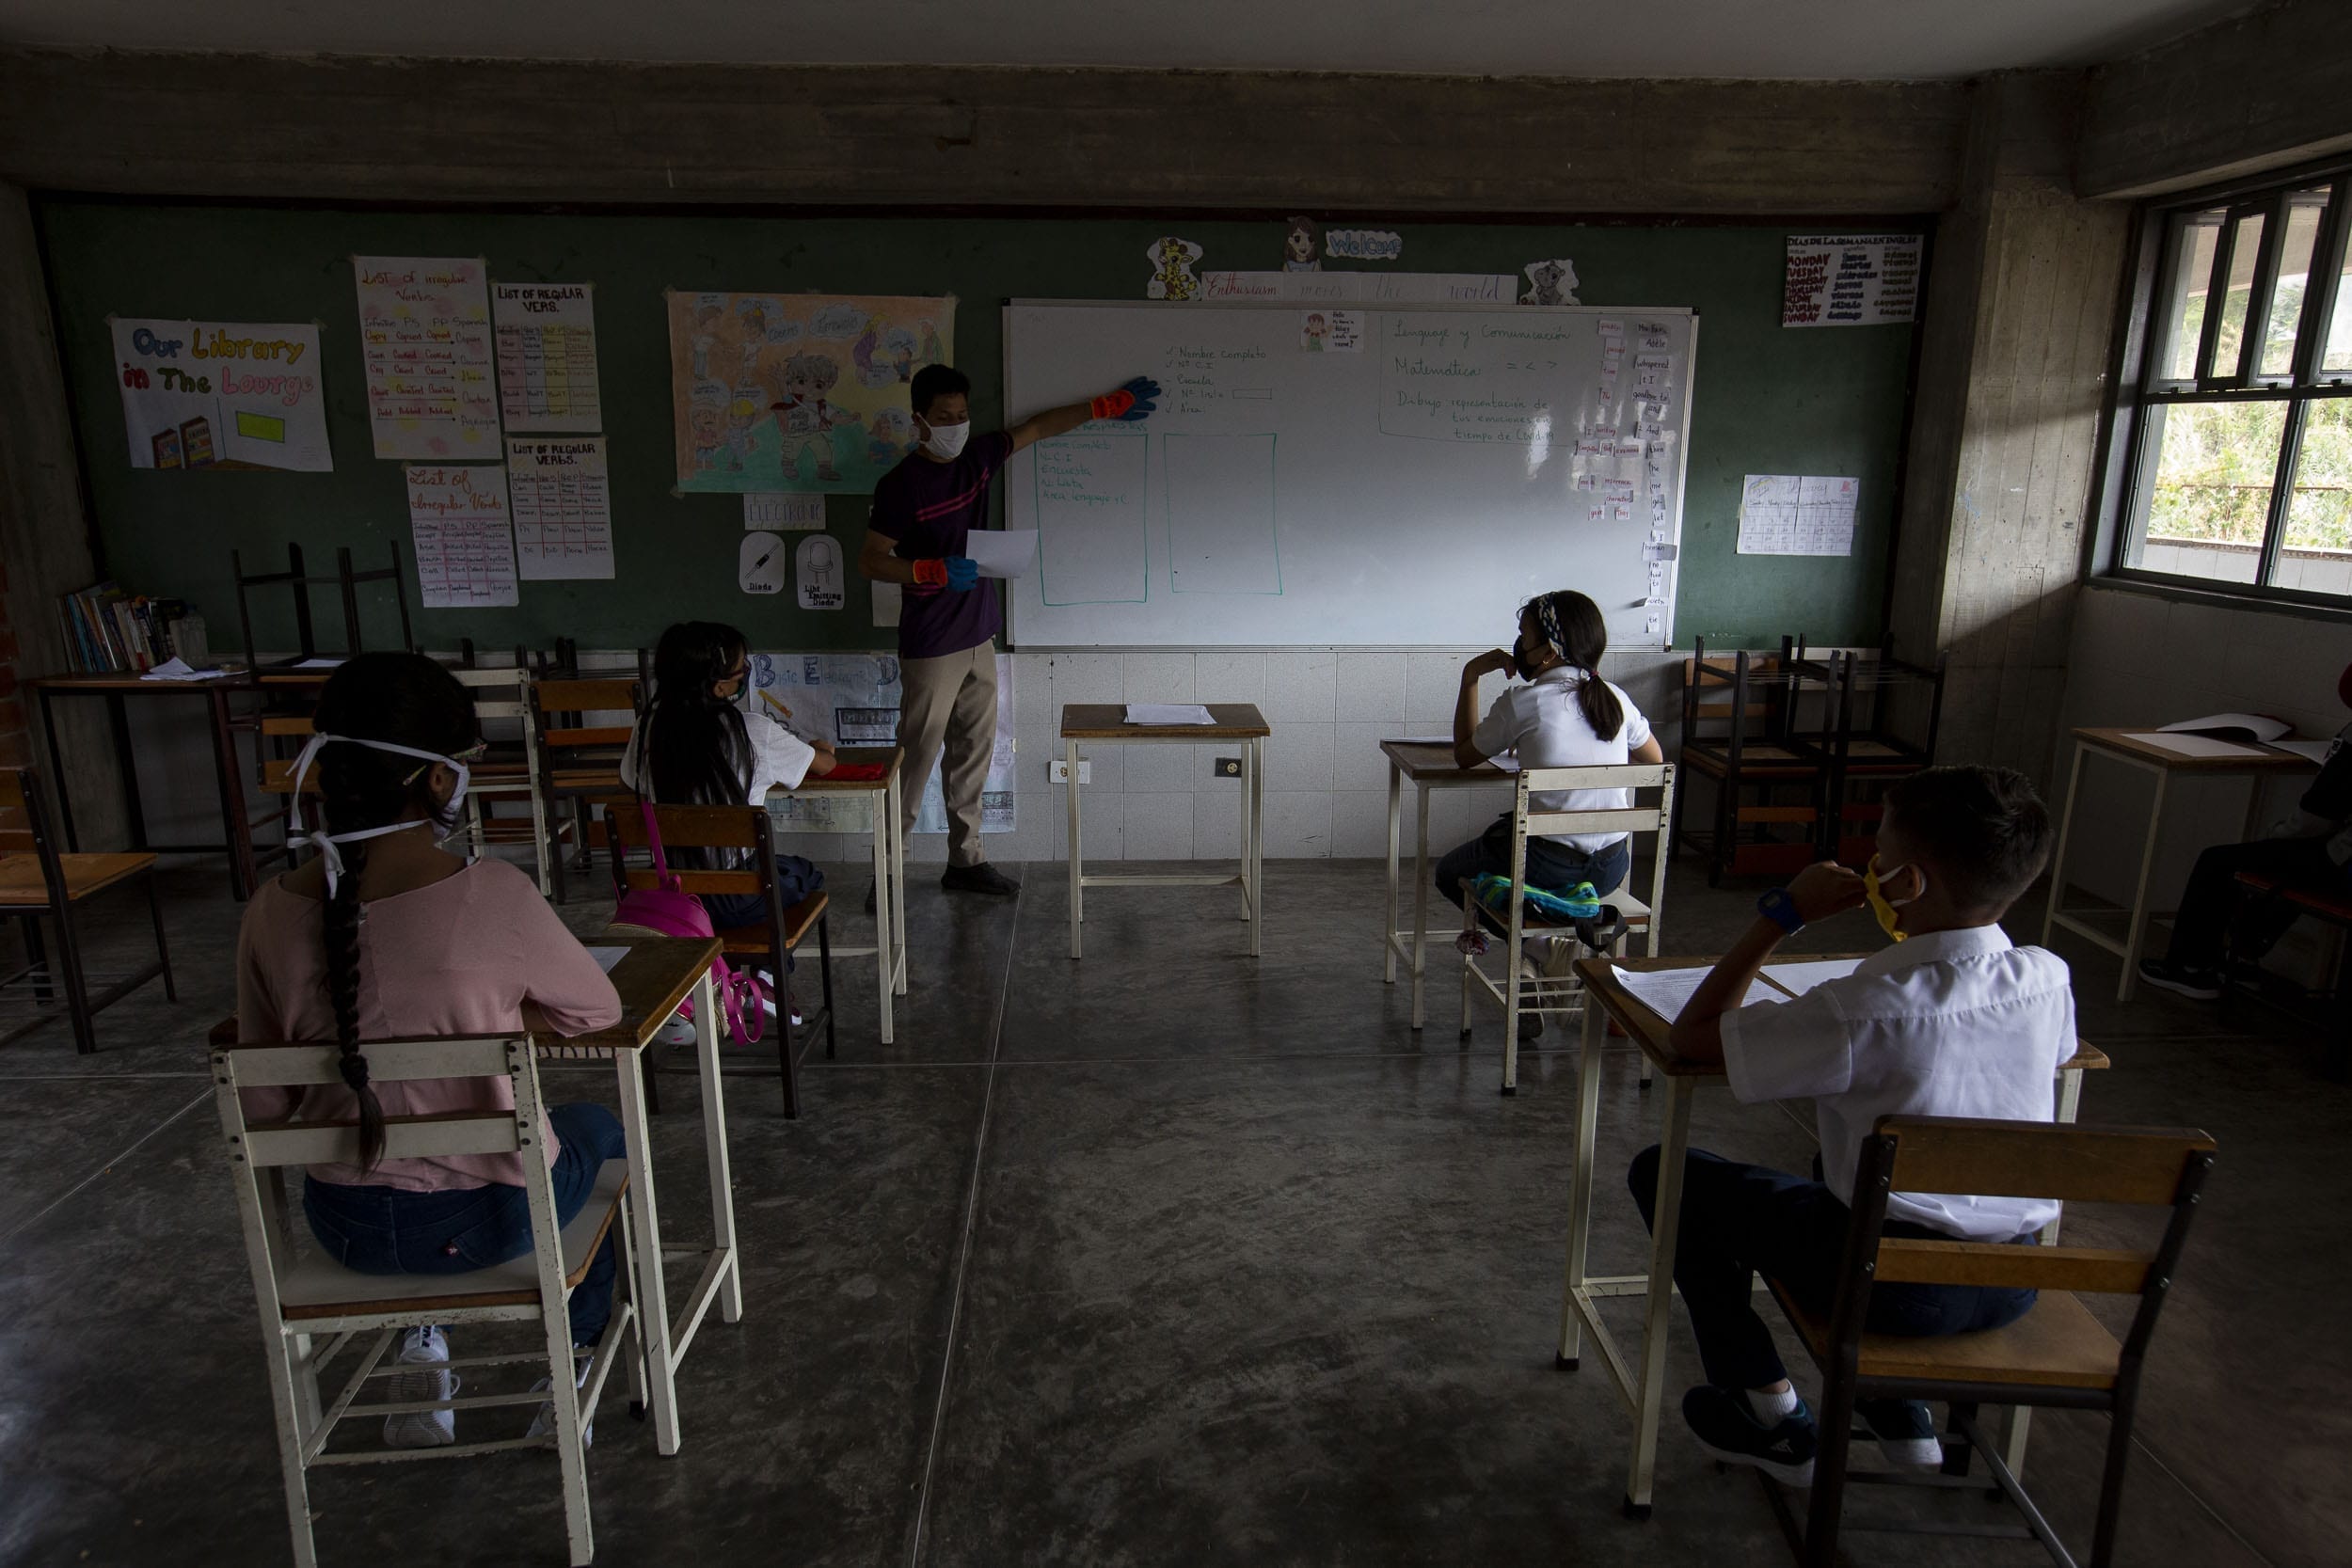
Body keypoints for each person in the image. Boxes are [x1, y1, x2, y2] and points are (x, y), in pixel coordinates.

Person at [1629, 765, 2073, 1486]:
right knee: (1838, 1169)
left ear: (1907, 884)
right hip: (2012, 1274)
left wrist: (1782, 914)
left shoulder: (1862, 1007)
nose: (1867, 859)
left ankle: (1770, 1416)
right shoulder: (2049, 977)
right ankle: (1897, 1410)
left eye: (1878, 847)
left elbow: (1692, 1036)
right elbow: (2046, 1059)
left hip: (1890, 1284)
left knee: (1669, 1175)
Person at [235, 653, 627, 1449]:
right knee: (600, 1131)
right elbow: (597, 1010)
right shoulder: (496, 895)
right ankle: (574, 1358)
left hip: (340, 1225)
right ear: (442, 782)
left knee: (409, 1158)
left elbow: (263, 1104)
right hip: (492, 1221)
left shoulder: (268, 911)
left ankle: (423, 1341)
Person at [858, 362, 1159, 898]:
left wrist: (1102, 408)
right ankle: (887, 872)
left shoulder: (976, 458)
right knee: (916, 756)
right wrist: (926, 570)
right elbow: (871, 560)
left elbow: (1039, 428)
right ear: (919, 421)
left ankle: (966, 862)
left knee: (973, 751)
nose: (956, 424)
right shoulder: (900, 485)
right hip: (930, 643)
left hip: (979, 632)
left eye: (962, 415)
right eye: (944, 417)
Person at [1438, 587, 1661, 911]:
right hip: (1611, 867)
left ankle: (1540, 942)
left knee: (1449, 872)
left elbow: (1464, 755)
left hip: (1546, 868)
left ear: (1548, 653)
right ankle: (1556, 912)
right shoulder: (1615, 698)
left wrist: (1470, 675)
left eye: (1524, 637)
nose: (1519, 645)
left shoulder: (1523, 703)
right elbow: (1654, 760)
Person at [2139, 659, 2352, 999]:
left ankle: (2189, 967)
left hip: (2342, 868)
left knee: (2221, 862)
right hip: (2341, 860)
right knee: (2281, 862)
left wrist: (2273, 836)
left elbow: (2315, 818)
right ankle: (2244, 959)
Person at [620, 621, 835, 931]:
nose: (744, 673)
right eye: (740, 670)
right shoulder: (752, 730)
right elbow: (824, 765)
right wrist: (821, 748)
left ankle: (729, 970)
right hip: (738, 898)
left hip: (672, 889)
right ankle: (769, 973)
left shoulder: (647, 727)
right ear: (718, 686)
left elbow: (628, 786)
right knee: (805, 874)